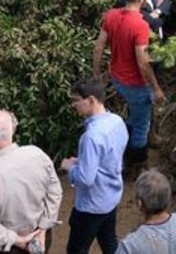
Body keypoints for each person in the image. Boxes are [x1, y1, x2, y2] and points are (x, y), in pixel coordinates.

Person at [93, 0, 165, 167]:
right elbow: (142, 62)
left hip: (117, 78)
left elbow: (99, 46)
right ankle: (136, 164)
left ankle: (120, 146)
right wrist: (156, 88)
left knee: (134, 117)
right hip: (135, 83)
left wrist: (96, 74)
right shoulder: (140, 24)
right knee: (142, 125)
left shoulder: (110, 15)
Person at [0, 109, 62, 254]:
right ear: (13, 130)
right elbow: (55, 190)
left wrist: (19, 242)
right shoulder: (36, 154)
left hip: (8, 247)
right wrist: (43, 228)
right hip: (40, 239)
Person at [60, 78, 129, 254]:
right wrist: (83, 162)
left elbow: (85, 179)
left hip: (91, 205)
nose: (73, 105)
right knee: (109, 242)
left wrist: (70, 167)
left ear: (90, 100)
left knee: (77, 249)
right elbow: (111, 155)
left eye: (76, 100)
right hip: (111, 197)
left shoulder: (91, 136)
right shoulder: (116, 121)